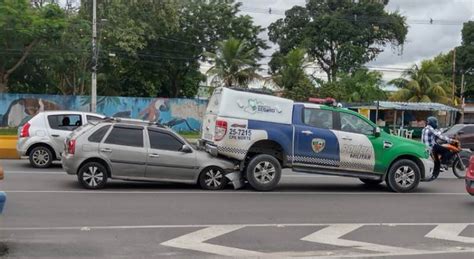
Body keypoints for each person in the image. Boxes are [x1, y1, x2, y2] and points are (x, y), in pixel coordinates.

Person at [421, 116, 455, 181]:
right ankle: (443, 163)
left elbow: (437, 132)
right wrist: (450, 140)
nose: (436, 124)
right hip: (431, 148)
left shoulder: (425, 128)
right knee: (448, 149)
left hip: (426, 147)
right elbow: (440, 136)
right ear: (432, 123)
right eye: (435, 122)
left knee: (437, 160)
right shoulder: (430, 129)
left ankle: (435, 173)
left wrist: (444, 129)